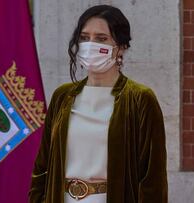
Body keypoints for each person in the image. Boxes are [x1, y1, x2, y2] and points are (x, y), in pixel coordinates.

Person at [29, 5, 167, 203]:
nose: (90, 45)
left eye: (101, 38)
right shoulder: (62, 97)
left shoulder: (140, 99)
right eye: (84, 38)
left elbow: (152, 179)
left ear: (121, 47)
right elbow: (41, 169)